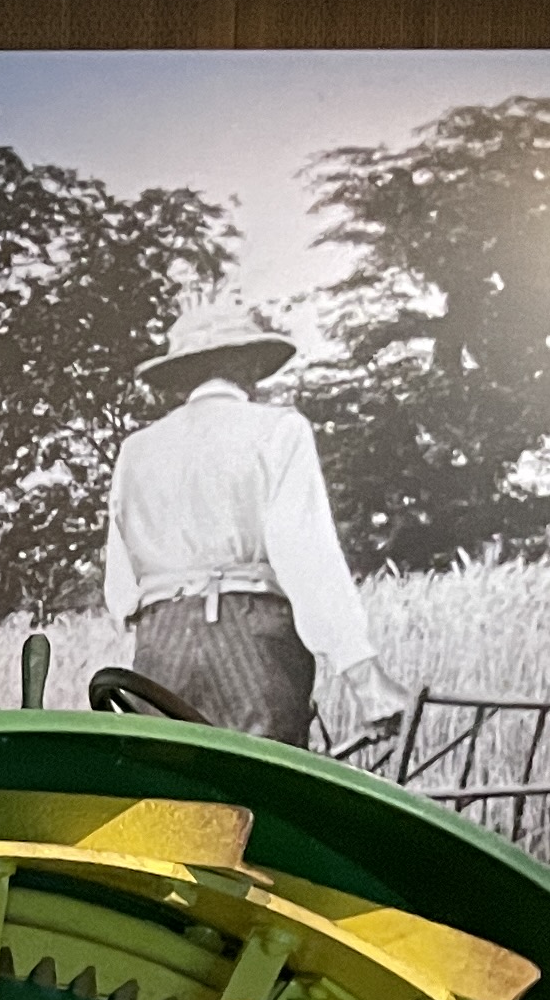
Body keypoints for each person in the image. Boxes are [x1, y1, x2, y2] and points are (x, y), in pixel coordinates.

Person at [100, 295, 408, 746]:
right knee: (262, 791)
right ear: (247, 364)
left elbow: (121, 592)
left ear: (183, 374)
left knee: (169, 793)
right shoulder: (279, 430)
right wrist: (366, 679)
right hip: (253, 635)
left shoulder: (137, 449)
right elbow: (306, 555)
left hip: (160, 642)